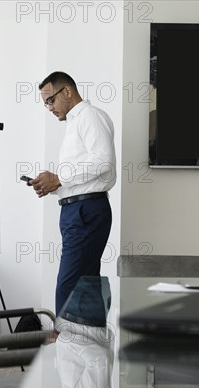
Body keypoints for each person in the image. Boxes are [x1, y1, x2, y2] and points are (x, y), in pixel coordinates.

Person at [29, 71, 116, 315]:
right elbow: (86, 167)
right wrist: (53, 183)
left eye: (50, 100)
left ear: (67, 91)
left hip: (85, 210)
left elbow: (103, 161)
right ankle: (88, 347)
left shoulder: (89, 116)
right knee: (85, 285)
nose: (49, 107)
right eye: (45, 103)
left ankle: (64, 344)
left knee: (69, 285)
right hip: (78, 210)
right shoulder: (76, 122)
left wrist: (58, 179)